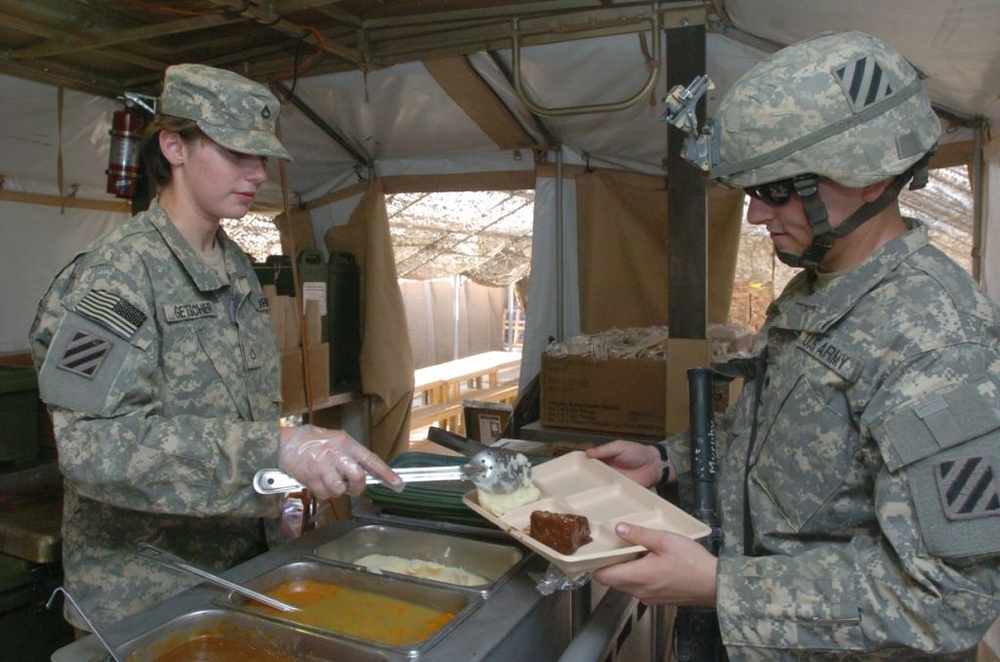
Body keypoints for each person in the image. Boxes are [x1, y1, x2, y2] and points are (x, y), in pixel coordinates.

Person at [587, 32, 1000, 658]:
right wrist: (668, 461)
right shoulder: (814, 291)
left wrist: (722, 586)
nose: (756, 215)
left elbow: (947, 598)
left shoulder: (939, 340)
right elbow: (775, 439)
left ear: (874, 178)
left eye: (781, 190)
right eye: (754, 191)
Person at [29, 63, 403, 631]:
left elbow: (242, 407)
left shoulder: (236, 269)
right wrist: (273, 451)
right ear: (175, 147)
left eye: (263, 158)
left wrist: (271, 500)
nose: (257, 174)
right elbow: (91, 449)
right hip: (144, 598)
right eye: (237, 154)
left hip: (237, 575)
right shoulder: (116, 277)